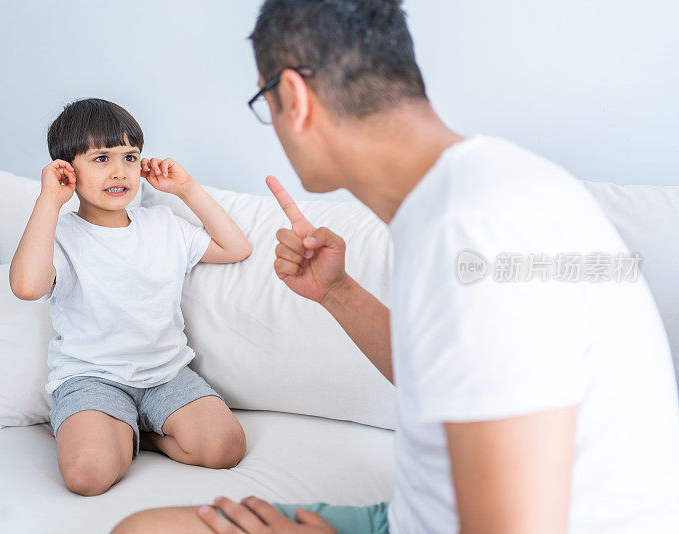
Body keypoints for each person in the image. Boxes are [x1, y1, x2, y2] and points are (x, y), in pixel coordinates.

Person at [113, 0, 679, 532]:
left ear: (294, 96)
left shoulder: (474, 228)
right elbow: (453, 376)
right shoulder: (476, 189)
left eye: (266, 103)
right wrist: (336, 292)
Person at [9, 98, 251, 497]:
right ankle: (106, 430)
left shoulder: (162, 224)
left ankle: (140, 434)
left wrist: (186, 189)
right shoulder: (60, 233)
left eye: (130, 157)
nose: (119, 171)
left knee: (225, 449)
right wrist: (48, 202)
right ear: (67, 170)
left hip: (166, 375)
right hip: (93, 379)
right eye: (101, 158)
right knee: (88, 477)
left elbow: (235, 248)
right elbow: (26, 287)